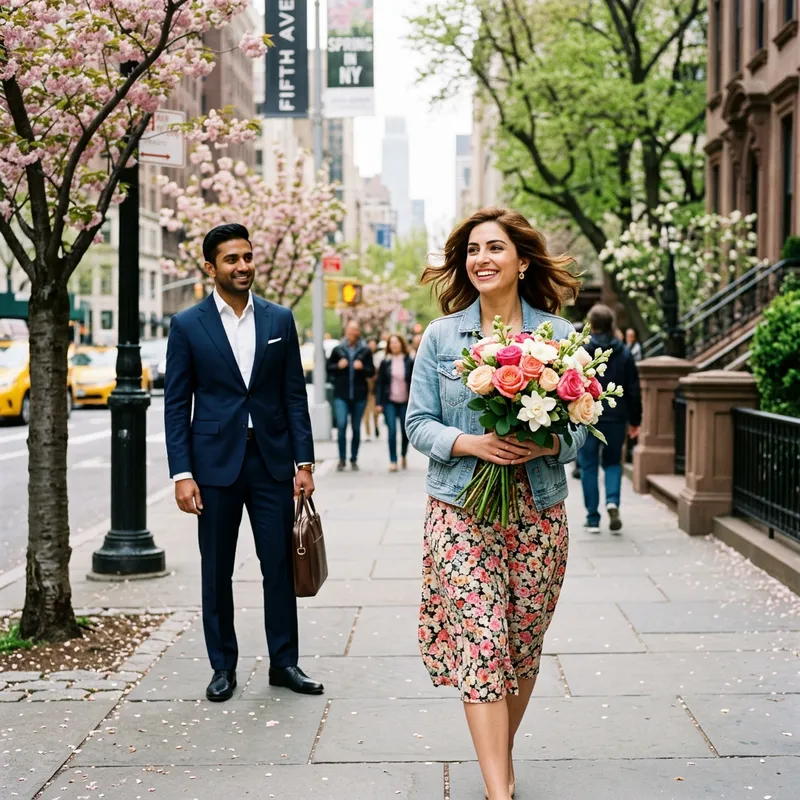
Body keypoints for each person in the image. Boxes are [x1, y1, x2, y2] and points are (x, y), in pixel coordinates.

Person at [406, 207, 585, 800]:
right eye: (472, 251)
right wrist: (471, 442)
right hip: (461, 512)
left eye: (494, 248)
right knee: (485, 642)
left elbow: (579, 430)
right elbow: (417, 424)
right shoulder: (441, 336)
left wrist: (548, 440)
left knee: (521, 647)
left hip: (538, 514)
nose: (480, 259)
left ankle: (498, 766)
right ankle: (497, 792)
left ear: (522, 260)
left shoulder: (558, 339)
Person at [164, 223, 323, 702]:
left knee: (278, 564)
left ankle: (285, 663)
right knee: (217, 568)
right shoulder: (188, 325)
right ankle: (222, 667)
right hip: (213, 467)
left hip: (272, 463)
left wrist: (305, 463)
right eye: (232, 259)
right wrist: (182, 473)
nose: (243, 266)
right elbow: (176, 403)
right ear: (211, 268)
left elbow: (294, 395)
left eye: (248, 257)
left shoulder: (279, 320)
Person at [578, 304, 642, 534]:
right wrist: (635, 420)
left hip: (586, 415)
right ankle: (612, 501)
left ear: (591, 324)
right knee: (613, 463)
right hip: (616, 416)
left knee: (589, 466)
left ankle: (593, 518)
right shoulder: (624, 352)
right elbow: (633, 389)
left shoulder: (582, 350)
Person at [327, 320, 375, 471]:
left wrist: (362, 368)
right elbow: (328, 369)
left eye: (354, 330)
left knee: (356, 428)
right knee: (341, 425)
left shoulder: (365, 350)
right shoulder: (338, 349)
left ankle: (353, 458)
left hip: (359, 395)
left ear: (358, 332)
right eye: (349, 330)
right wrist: (337, 366)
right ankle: (341, 459)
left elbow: (372, 371)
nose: (352, 333)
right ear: (346, 332)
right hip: (341, 394)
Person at [375, 333, 414, 472]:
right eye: (391, 343)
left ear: (401, 344)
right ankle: (393, 460)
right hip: (389, 401)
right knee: (391, 431)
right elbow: (379, 384)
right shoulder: (385, 362)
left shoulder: (409, 361)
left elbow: (415, 382)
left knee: (405, 431)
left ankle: (403, 454)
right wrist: (378, 403)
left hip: (406, 402)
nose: (394, 345)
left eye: (396, 342)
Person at [363, 337, 383, 442]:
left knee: (375, 411)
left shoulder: (379, 356)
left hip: (375, 389)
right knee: (366, 412)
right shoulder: (364, 356)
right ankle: (368, 432)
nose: (372, 346)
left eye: (373, 344)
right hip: (365, 389)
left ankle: (375, 426)